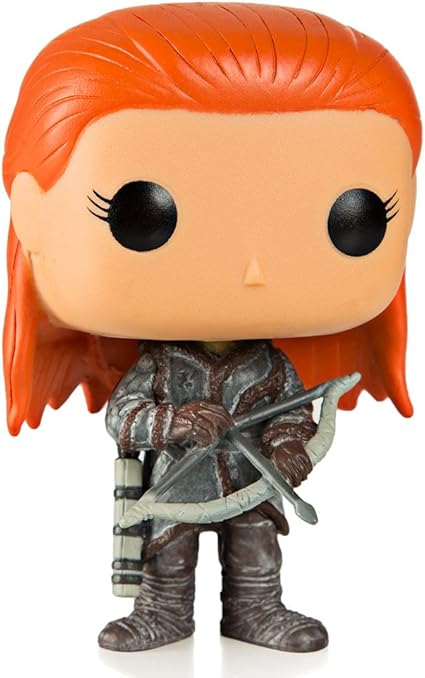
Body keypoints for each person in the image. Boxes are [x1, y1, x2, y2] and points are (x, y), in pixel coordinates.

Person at [2, 2, 420, 653]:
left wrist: (290, 444)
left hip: (251, 485)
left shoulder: (269, 366)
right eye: (142, 214)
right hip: (177, 482)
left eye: (354, 218)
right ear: (32, 214)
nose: (253, 271)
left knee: (257, 552)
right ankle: (161, 613)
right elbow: (124, 417)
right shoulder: (161, 367)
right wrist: (175, 422)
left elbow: (293, 414)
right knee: (165, 555)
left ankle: (256, 611)